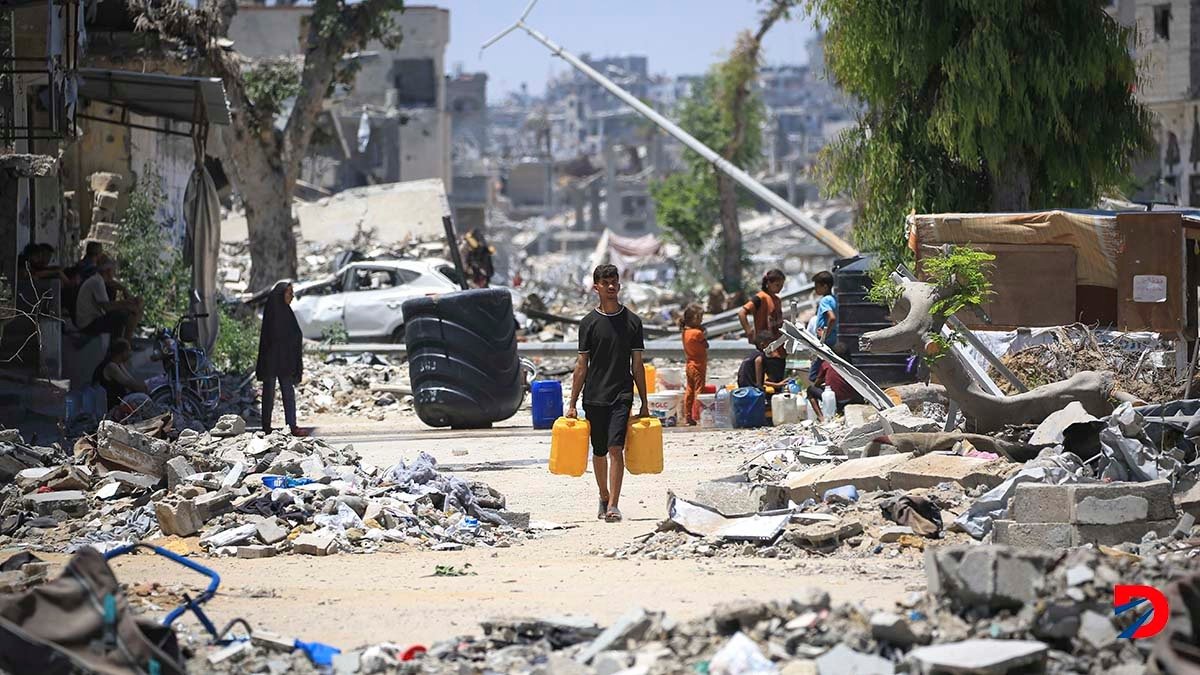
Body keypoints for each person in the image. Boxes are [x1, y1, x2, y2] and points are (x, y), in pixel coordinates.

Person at [567, 264, 649, 523]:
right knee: (599, 450)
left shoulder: (633, 322)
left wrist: (644, 401)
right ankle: (603, 495)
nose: (611, 286)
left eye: (614, 282)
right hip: (594, 395)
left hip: (621, 395)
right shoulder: (588, 324)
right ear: (597, 288)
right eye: (606, 283)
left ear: (619, 286)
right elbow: (582, 366)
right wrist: (571, 402)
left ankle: (614, 504)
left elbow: (637, 365)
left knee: (616, 448)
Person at [256, 281, 305, 435]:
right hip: (271, 360)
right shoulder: (272, 312)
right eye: (289, 293)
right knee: (268, 394)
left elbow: (295, 335)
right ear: (281, 294)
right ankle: (266, 427)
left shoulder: (287, 312)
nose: (292, 296)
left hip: (284, 361)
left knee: (288, 393)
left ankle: (291, 426)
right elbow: (269, 340)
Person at [75, 257, 143, 340]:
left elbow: (110, 304)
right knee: (124, 315)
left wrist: (125, 292)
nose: (114, 273)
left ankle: (122, 344)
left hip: (91, 320)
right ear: (107, 271)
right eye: (113, 270)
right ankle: (125, 345)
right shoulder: (97, 282)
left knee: (130, 310)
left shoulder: (100, 281)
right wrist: (127, 305)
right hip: (87, 325)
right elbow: (107, 307)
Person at [807, 344, 862, 422]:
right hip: (851, 399)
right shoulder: (851, 367)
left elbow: (816, 384)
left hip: (835, 399)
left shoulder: (827, 364)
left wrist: (824, 380)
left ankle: (821, 418)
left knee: (810, 390)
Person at [93, 339, 149, 411]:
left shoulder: (119, 364)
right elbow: (128, 383)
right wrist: (144, 389)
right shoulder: (111, 366)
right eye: (129, 350)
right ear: (123, 352)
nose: (130, 353)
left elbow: (131, 380)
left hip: (119, 400)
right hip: (111, 404)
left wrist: (143, 387)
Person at [738, 269, 785, 345]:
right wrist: (749, 332)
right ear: (769, 283)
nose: (780, 288)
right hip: (763, 342)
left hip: (776, 342)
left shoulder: (777, 300)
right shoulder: (761, 297)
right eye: (777, 285)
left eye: (782, 285)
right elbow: (742, 313)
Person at [680, 303, 708, 426]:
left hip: (689, 364)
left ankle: (688, 417)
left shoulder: (685, 332)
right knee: (699, 390)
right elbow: (706, 345)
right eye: (700, 317)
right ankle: (698, 415)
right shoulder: (697, 333)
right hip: (698, 365)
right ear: (695, 318)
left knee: (689, 390)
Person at [808, 270, 838, 383]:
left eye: (817, 286)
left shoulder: (825, 300)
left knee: (813, 375)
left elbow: (832, 317)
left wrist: (824, 335)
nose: (815, 289)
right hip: (833, 340)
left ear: (825, 286)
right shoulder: (833, 299)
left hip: (825, 342)